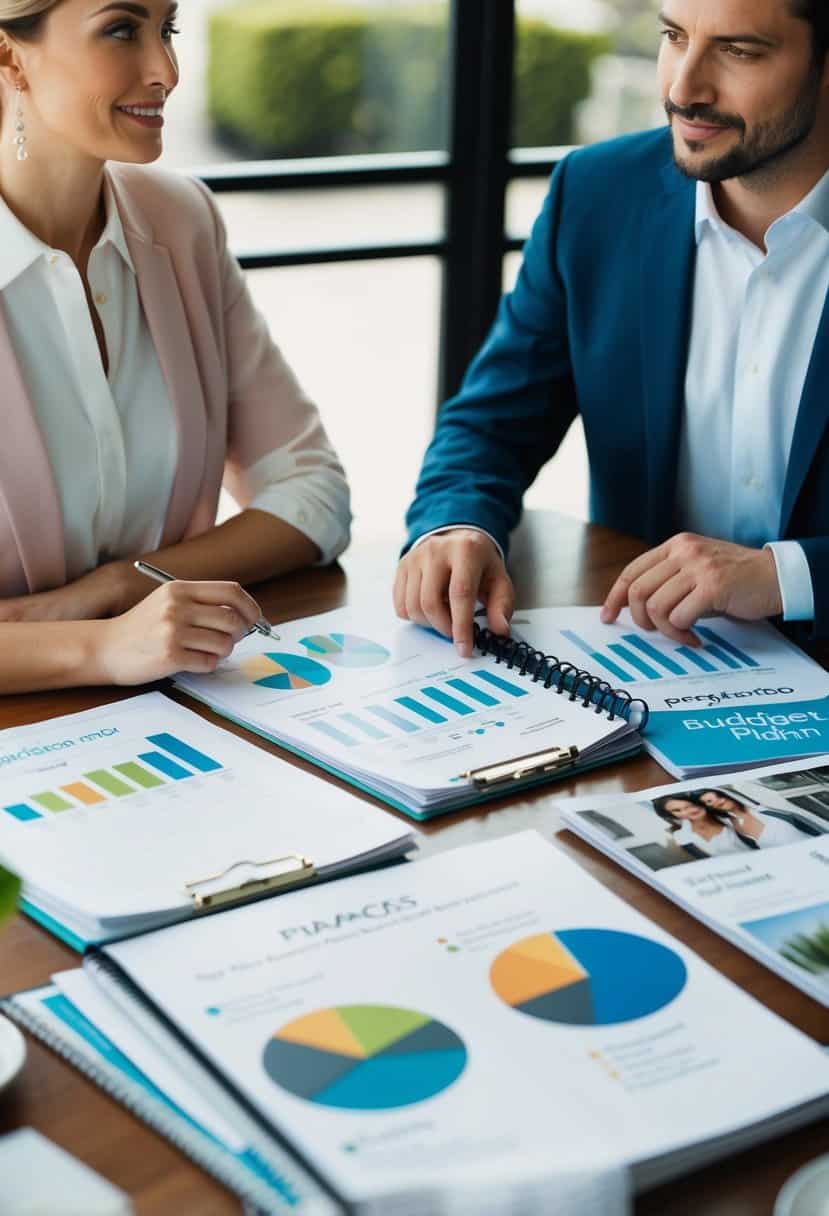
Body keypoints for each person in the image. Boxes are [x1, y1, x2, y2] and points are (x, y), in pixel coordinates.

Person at [395, 0, 829, 658]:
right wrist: (455, 525)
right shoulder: (597, 194)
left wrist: (785, 576)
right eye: (673, 36)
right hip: (657, 669)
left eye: (739, 52)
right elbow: (491, 422)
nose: (684, 88)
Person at [0, 0, 350, 693]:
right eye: (122, 29)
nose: (166, 69)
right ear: (11, 57)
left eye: (169, 30)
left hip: (170, 720)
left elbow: (314, 494)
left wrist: (117, 586)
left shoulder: (180, 220)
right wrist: (98, 646)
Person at [696, 787, 822, 843]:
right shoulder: (731, 826)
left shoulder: (765, 808)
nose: (718, 801)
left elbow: (808, 823)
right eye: (709, 801)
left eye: (719, 796)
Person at [651, 793, 759, 856]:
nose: (689, 811)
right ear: (672, 815)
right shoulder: (681, 837)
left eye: (690, 805)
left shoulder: (729, 818)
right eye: (678, 810)